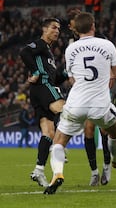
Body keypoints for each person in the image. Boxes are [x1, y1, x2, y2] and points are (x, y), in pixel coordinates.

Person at [44, 12, 116, 195]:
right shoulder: (107, 45)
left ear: (76, 29)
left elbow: (71, 78)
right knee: (115, 127)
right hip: (100, 104)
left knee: (59, 142)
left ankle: (57, 174)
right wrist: (109, 75)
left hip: (76, 103)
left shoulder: (71, 49)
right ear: (93, 26)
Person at [67, 9, 113, 186]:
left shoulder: (101, 40)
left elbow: (111, 66)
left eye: (72, 23)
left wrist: (107, 85)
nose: (71, 26)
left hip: (101, 91)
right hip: (84, 94)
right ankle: (94, 172)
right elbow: (71, 71)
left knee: (103, 130)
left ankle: (107, 166)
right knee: (88, 131)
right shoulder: (71, 43)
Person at [20, 18, 67, 187]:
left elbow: (56, 78)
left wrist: (66, 73)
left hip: (40, 91)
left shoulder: (48, 52)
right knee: (67, 112)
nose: (57, 31)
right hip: (44, 86)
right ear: (44, 29)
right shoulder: (39, 44)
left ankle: (39, 170)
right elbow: (24, 52)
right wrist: (35, 71)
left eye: (59, 29)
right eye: (54, 27)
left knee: (48, 132)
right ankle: (62, 147)